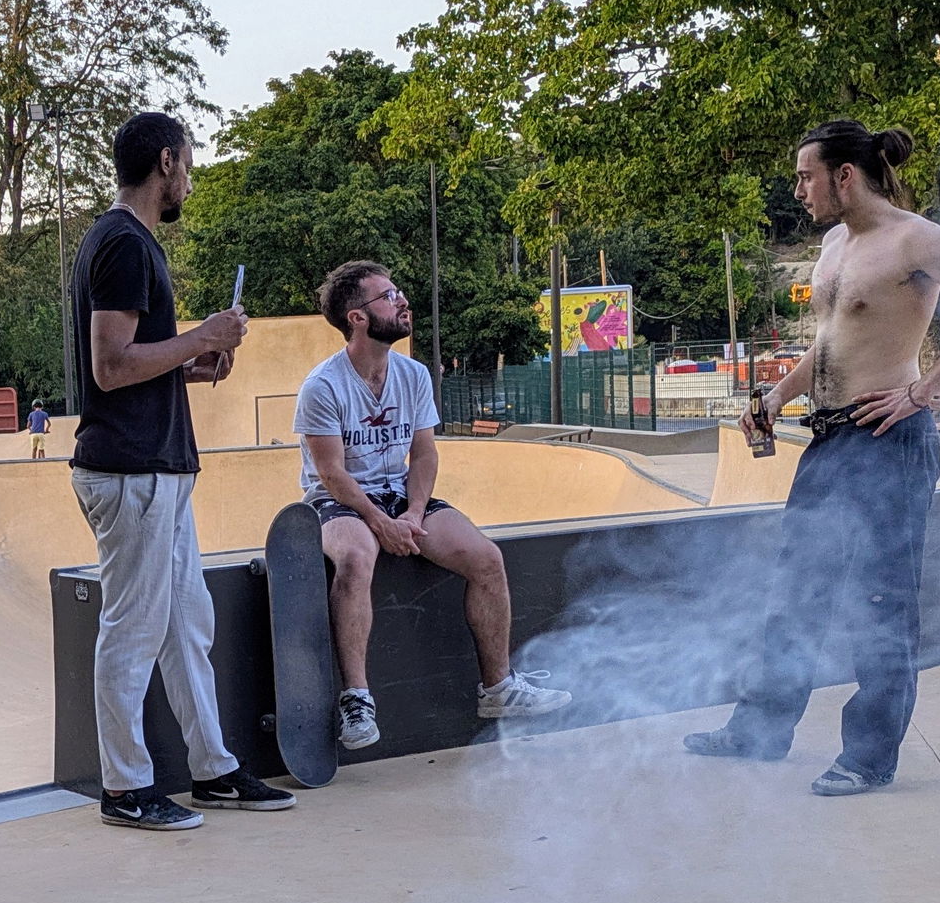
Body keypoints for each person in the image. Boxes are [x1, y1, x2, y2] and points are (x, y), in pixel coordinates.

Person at [684, 119, 940, 795]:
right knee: (795, 593)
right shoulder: (836, 244)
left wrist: (922, 391)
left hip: (889, 443)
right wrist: (776, 396)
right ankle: (759, 730)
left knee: (880, 601)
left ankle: (868, 757)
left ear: (844, 175)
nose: (798, 190)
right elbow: (833, 341)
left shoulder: (916, 239)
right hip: (830, 440)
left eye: (806, 176)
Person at [70, 111, 295, 830]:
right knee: (133, 629)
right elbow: (109, 367)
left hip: (157, 470)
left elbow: (133, 366)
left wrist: (195, 364)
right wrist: (203, 334)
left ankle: (214, 770)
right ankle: (124, 787)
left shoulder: (127, 243)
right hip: (132, 472)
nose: (190, 180)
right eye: (189, 166)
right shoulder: (123, 244)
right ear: (166, 161)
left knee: (187, 623)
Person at [294, 260, 571, 750]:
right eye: (388, 296)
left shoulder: (414, 374)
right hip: (338, 500)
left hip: (401, 495)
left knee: (487, 559)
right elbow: (331, 474)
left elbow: (423, 454)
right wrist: (379, 523)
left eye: (398, 291)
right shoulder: (323, 386)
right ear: (357, 318)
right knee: (356, 557)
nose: (402, 301)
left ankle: (498, 689)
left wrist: (412, 515)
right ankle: (357, 700)